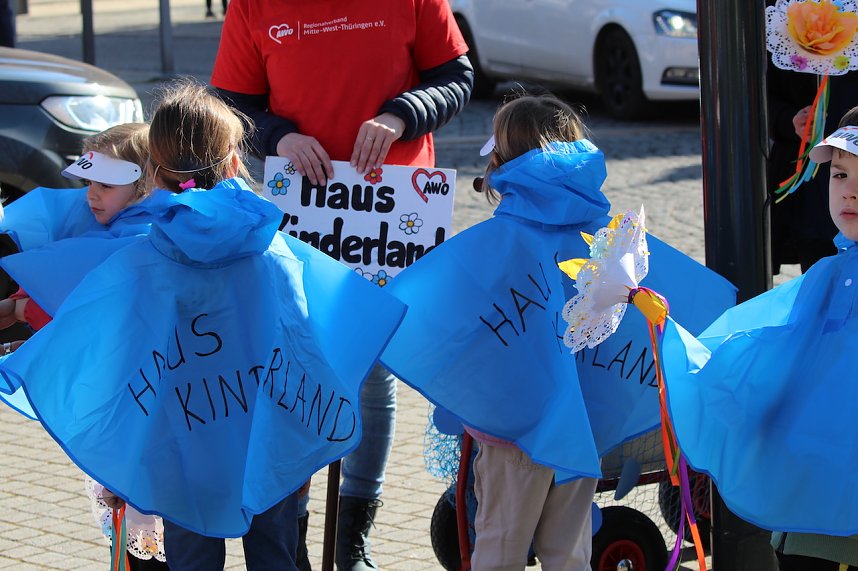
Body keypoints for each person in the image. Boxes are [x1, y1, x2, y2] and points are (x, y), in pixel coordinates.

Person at [0, 80, 406, 571]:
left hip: (179, 444)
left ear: (153, 170)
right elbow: (304, 344)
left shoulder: (139, 263)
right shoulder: (275, 252)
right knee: (276, 554)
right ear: (234, 162)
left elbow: (113, 350)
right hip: (266, 440)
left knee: (191, 559)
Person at [380, 93, 735, 570]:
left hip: (511, 432)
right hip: (584, 426)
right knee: (569, 551)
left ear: (503, 161)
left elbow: (443, 313)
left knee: (500, 545)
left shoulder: (497, 241)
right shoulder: (602, 236)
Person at [210, 2, 473, 569]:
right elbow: (230, 103)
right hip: (302, 210)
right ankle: (295, 530)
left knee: (373, 374)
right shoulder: (252, 6)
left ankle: (352, 533)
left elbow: (455, 78)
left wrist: (401, 116)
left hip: (389, 214)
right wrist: (278, 137)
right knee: (297, 372)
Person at [660, 106, 858, 571]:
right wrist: (689, 355)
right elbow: (766, 343)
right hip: (808, 493)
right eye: (840, 174)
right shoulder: (828, 274)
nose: (849, 190)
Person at [0, 123, 171, 570]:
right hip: (123, 407)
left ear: (144, 184)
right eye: (89, 182)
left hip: (144, 413)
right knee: (128, 528)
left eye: (105, 185)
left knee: (146, 529)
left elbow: (88, 300)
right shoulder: (115, 225)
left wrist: (21, 309)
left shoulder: (144, 236)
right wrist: (18, 304)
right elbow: (70, 267)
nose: (91, 194)